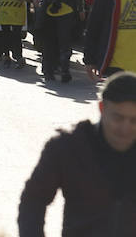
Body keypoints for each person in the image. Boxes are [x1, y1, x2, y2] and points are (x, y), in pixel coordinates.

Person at [18, 71, 136, 236]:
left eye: (134, 121)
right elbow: (33, 200)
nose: (125, 128)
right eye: (118, 118)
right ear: (102, 108)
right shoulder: (67, 147)